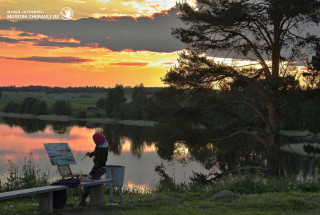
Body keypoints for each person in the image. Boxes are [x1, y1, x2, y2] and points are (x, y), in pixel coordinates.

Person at [75, 132, 109, 207]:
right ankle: (83, 200)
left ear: (98, 140)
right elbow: (96, 151)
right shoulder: (100, 144)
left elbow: (99, 163)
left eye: (95, 141)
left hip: (100, 168)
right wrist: (91, 154)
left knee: (90, 184)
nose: (94, 142)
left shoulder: (103, 149)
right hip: (97, 167)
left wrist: (91, 173)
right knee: (88, 184)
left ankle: (83, 200)